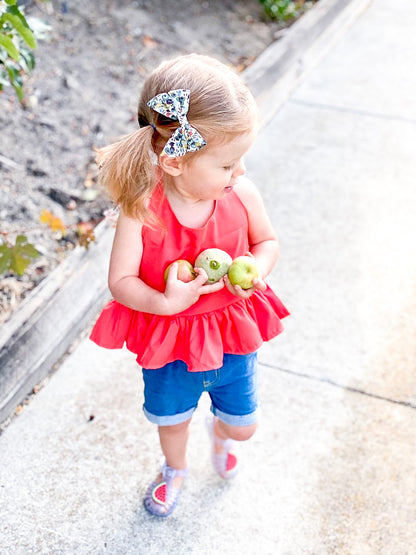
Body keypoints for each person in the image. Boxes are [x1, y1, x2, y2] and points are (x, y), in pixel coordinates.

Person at [90, 54, 289, 517]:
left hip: (232, 336)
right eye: (227, 164)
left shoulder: (241, 193)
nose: (239, 173)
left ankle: (221, 433)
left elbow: (267, 241)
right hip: (171, 342)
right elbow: (120, 281)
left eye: (241, 161)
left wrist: (256, 271)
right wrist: (163, 300)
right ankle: (174, 468)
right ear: (176, 161)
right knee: (172, 419)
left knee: (243, 426)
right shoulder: (142, 210)